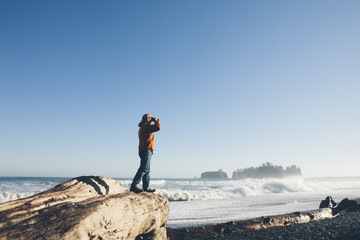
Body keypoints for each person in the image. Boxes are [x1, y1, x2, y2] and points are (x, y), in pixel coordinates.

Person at [130, 114, 161, 193]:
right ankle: (134, 185)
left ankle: (146, 188)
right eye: (150, 118)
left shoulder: (144, 126)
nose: (151, 119)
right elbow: (158, 128)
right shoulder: (145, 126)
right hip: (145, 150)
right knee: (144, 169)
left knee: (147, 170)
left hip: (146, 150)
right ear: (147, 119)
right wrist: (156, 121)